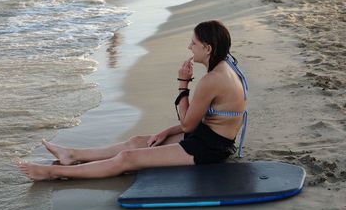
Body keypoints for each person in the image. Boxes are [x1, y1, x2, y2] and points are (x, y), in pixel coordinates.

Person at [19, 20, 248, 181]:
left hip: (210, 149)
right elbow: (205, 119)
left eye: (194, 43)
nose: (189, 47)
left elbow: (189, 124)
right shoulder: (226, 64)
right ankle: (73, 155)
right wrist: (168, 131)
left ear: (208, 48)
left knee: (128, 158)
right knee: (137, 141)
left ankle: (54, 173)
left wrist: (182, 83)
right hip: (207, 135)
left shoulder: (213, 79)